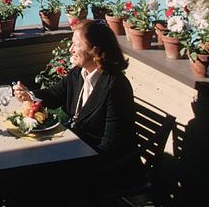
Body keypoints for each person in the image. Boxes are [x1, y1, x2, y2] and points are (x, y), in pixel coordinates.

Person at [13, 20, 142, 182]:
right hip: (77, 150)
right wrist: (29, 95)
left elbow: (111, 146)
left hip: (106, 168)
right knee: (23, 164)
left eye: (76, 45)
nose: (70, 49)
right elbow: (54, 95)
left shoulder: (115, 86)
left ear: (95, 51)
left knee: (31, 172)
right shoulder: (80, 73)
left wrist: (71, 159)